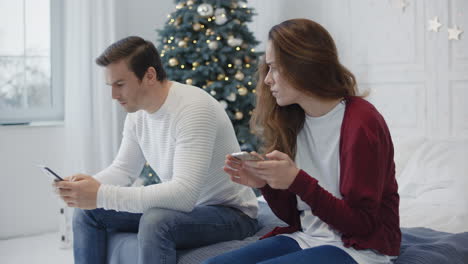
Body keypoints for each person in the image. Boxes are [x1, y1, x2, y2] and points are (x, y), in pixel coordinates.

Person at [203, 18, 401, 264]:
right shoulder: (292, 119)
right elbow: (294, 216)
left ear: (302, 64)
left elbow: (362, 224)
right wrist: (265, 184)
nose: (267, 80)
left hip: (361, 248)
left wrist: (298, 181)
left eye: (274, 68)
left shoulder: (362, 121)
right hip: (309, 237)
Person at [54, 36, 259, 264]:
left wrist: (101, 194)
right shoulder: (137, 113)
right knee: (87, 211)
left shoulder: (193, 109)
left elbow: (183, 195)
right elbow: (123, 170)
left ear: (149, 76)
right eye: (110, 86)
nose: (113, 95)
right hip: (189, 210)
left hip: (231, 214)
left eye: (120, 84)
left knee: (156, 220)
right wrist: (85, 187)